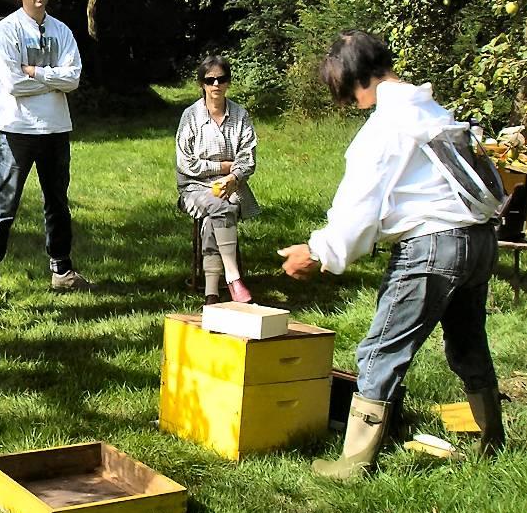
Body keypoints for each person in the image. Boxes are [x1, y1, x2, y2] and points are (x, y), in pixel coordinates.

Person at [279, 29, 505, 480]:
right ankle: (492, 440)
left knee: (381, 350)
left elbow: (360, 211)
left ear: (350, 77)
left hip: (433, 246)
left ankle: (354, 462)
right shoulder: (431, 108)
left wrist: (319, 251)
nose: (347, 101)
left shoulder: (385, 127)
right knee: (468, 344)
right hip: (478, 242)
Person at [0, 0, 90, 298]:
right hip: (17, 130)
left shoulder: (61, 30)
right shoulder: (8, 30)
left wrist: (38, 73)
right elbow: (13, 82)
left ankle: (62, 270)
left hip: (56, 128)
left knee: (57, 202)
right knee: (5, 204)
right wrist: (50, 77)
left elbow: (73, 79)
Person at [176, 55, 259, 304]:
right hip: (194, 188)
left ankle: (211, 292)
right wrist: (222, 166)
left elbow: (248, 158)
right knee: (222, 207)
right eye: (209, 80)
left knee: (220, 210)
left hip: (231, 186)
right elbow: (186, 164)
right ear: (202, 84)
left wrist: (233, 177)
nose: (216, 85)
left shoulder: (240, 115)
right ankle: (233, 277)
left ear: (228, 82)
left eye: (221, 79)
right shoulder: (190, 117)